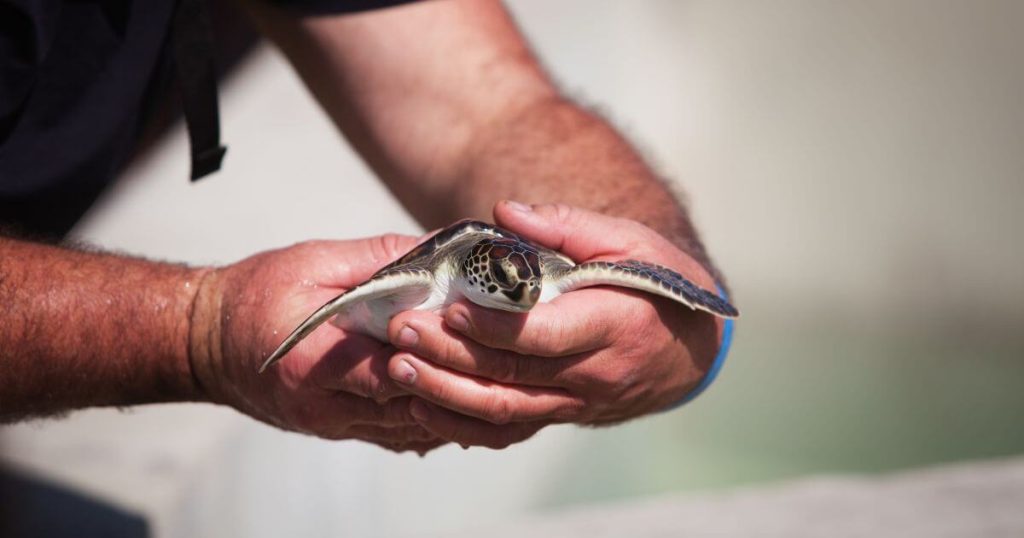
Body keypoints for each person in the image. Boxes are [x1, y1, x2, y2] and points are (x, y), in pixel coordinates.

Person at [0, 0, 731, 453]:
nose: (520, 292)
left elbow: (494, 115)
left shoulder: (527, 271)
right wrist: (199, 331)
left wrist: (680, 312)